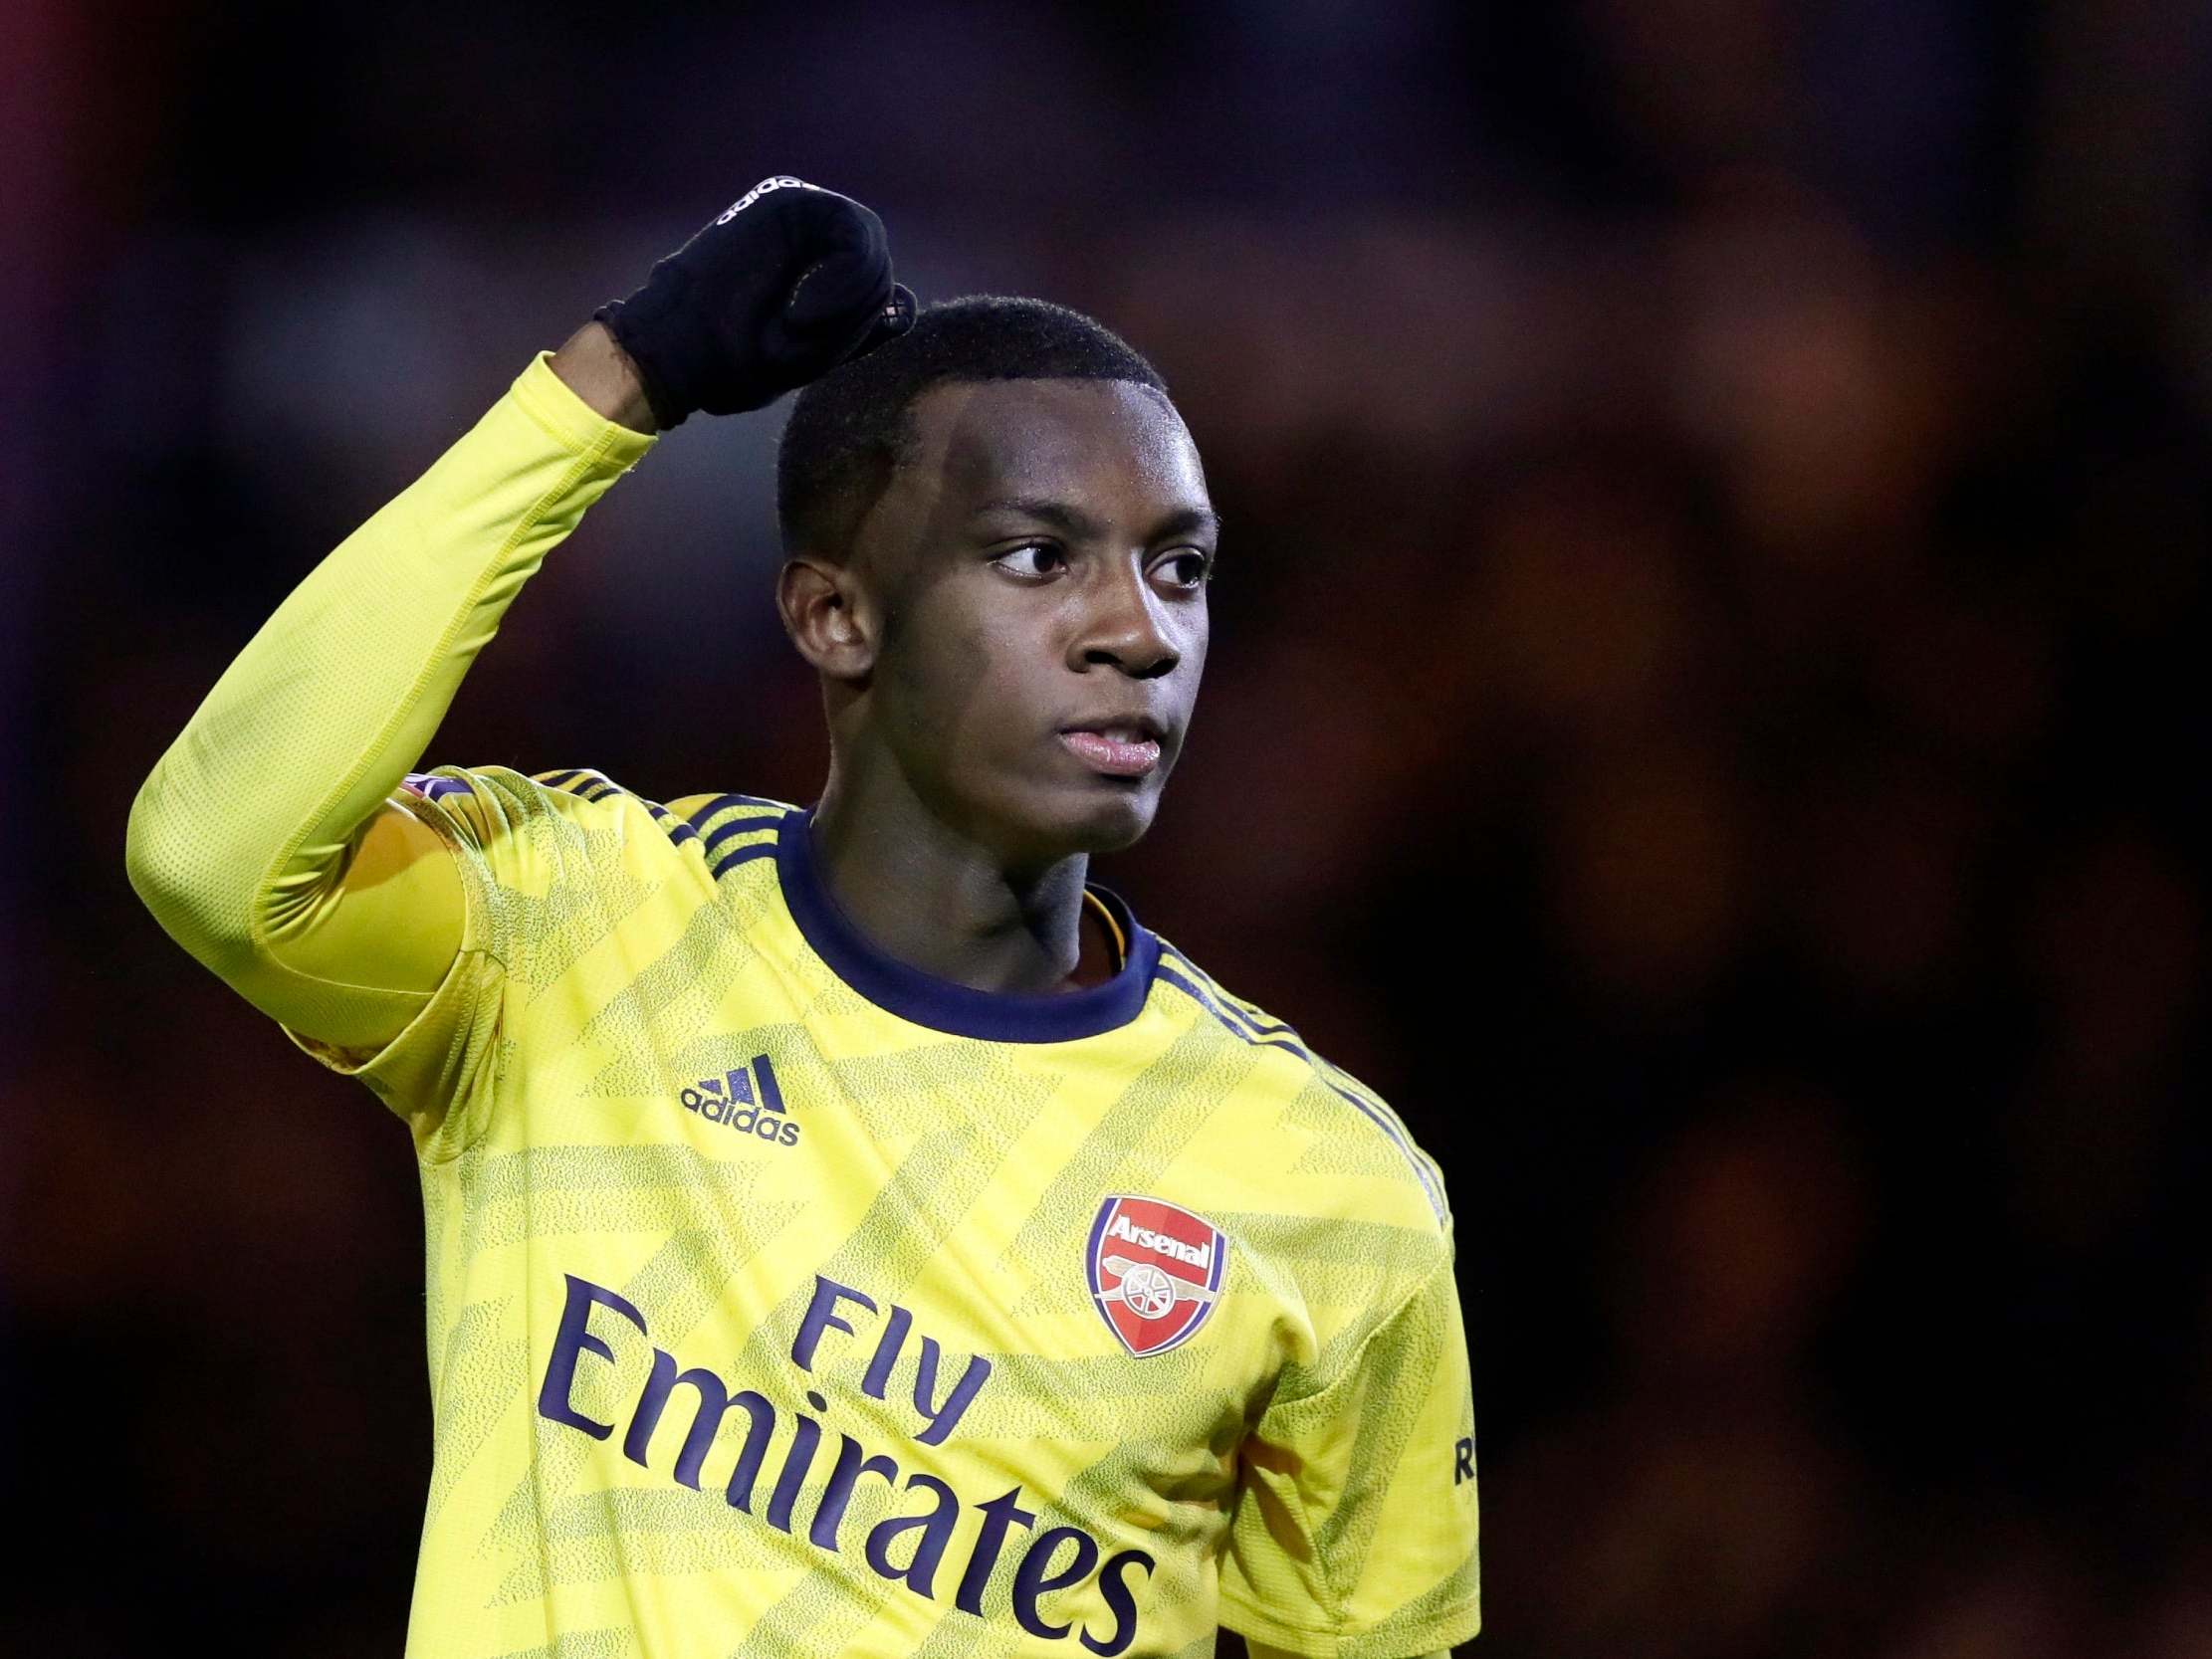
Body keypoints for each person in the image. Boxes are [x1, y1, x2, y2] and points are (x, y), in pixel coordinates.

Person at [125, 175, 1480, 1659]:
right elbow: (212, 852)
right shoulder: (579, 932)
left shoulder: (1327, 1188)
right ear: (836, 616)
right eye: (1040, 557)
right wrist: (610, 385)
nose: (1137, 632)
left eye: (1180, 567)